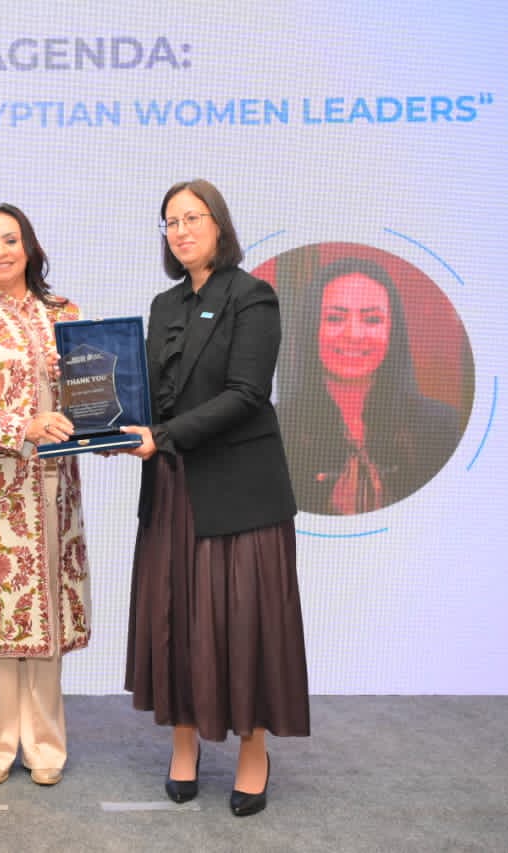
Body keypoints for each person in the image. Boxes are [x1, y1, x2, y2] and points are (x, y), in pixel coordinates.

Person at [117, 180, 309, 816]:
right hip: (171, 487)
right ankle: (184, 744)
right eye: (169, 221)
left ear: (219, 226)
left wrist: (163, 436)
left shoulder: (251, 296)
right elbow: (149, 394)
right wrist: (112, 426)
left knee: (242, 623)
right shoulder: (164, 304)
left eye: (191, 218)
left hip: (237, 492)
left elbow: (246, 394)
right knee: (173, 617)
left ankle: (253, 751)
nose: (180, 230)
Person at [0, 203, 90, 788]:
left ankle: (46, 745)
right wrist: (24, 425)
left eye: (10, 239)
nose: (1, 251)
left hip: (55, 489)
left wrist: (105, 427)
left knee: (46, 618)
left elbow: (92, 389)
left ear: (28, 245)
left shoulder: (66, 314)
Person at [277, 257, 463, 515]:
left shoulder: (440, 427)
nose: (354, 334)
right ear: (311, 329)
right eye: (334, 318)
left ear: (392, 331)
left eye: (372, 320)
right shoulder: (271, 429)